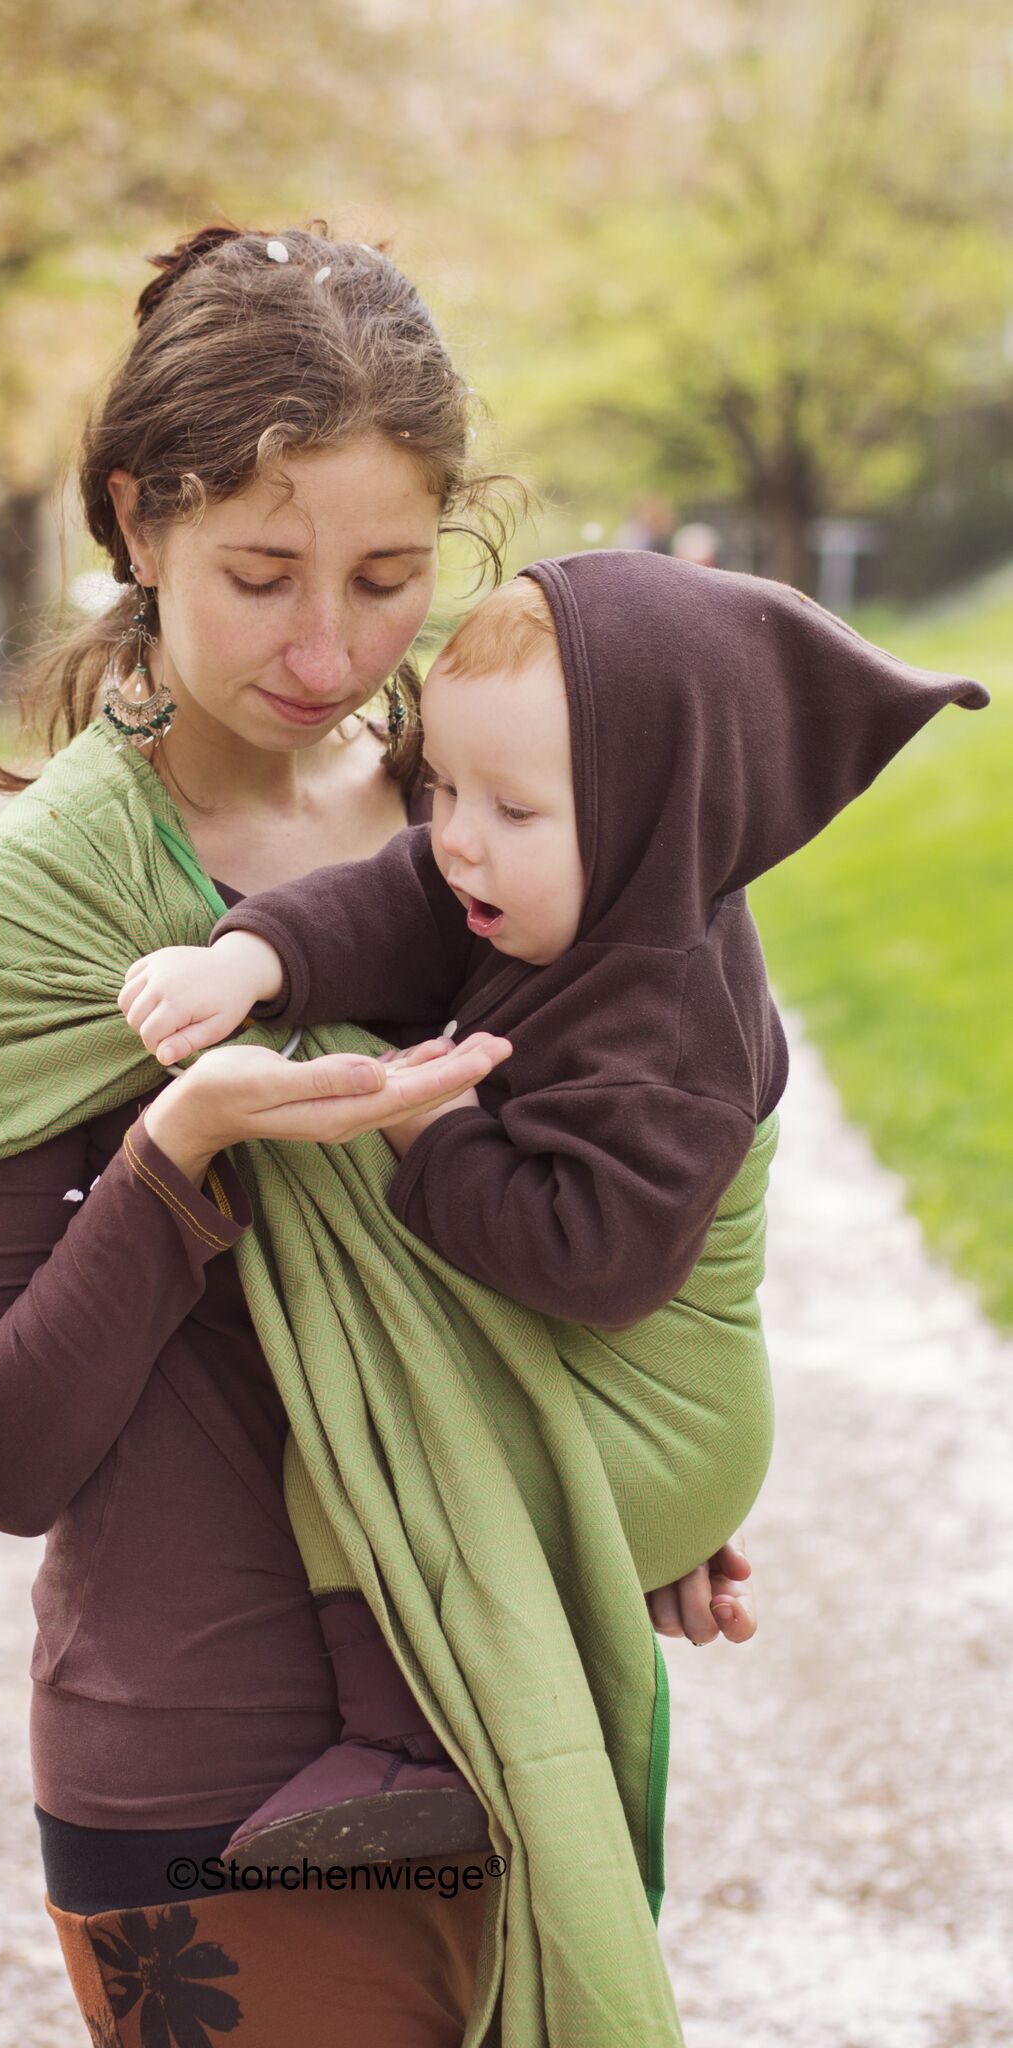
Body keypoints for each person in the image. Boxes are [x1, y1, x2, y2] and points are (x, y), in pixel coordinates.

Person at [0, 224, 760, 2048]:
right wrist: (174, 1154)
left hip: (523, 1691)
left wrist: (606, 1475)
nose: (326, 646)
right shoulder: (30, 918)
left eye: (384, 577)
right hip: (208, 1768)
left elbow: (640, 1172)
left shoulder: (521, 831)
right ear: (138, 524)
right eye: (262, 574)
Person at [119, 553, 989, 1864]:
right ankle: (413, 1728)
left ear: (654, 821)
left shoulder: (667, 1027)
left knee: (385, 1468)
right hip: (601, 1369)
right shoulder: (527, 891)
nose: (456, 834)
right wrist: (249, 957)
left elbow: (594, 1260)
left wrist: (433, 1127)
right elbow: (395, 897)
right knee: (360, 1448)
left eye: (509, 808)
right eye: (445, 787)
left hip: (664, 1421)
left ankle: (422, 1756)